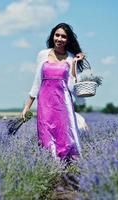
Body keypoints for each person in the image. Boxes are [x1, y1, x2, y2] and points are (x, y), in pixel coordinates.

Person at [21, 23, 86, 161]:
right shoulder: (43, 55)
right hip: (45, 103)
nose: (59, 39)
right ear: (53, 36)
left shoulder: (70, 57)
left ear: (68, 40)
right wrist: (27, 106)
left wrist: (74, 62)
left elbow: (73, 84)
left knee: (65, 135)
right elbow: (37, 82)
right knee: (46, 134)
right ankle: (52, 167)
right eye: (57, 35)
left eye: (63, 36)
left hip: (63, 103)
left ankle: (68, 167)